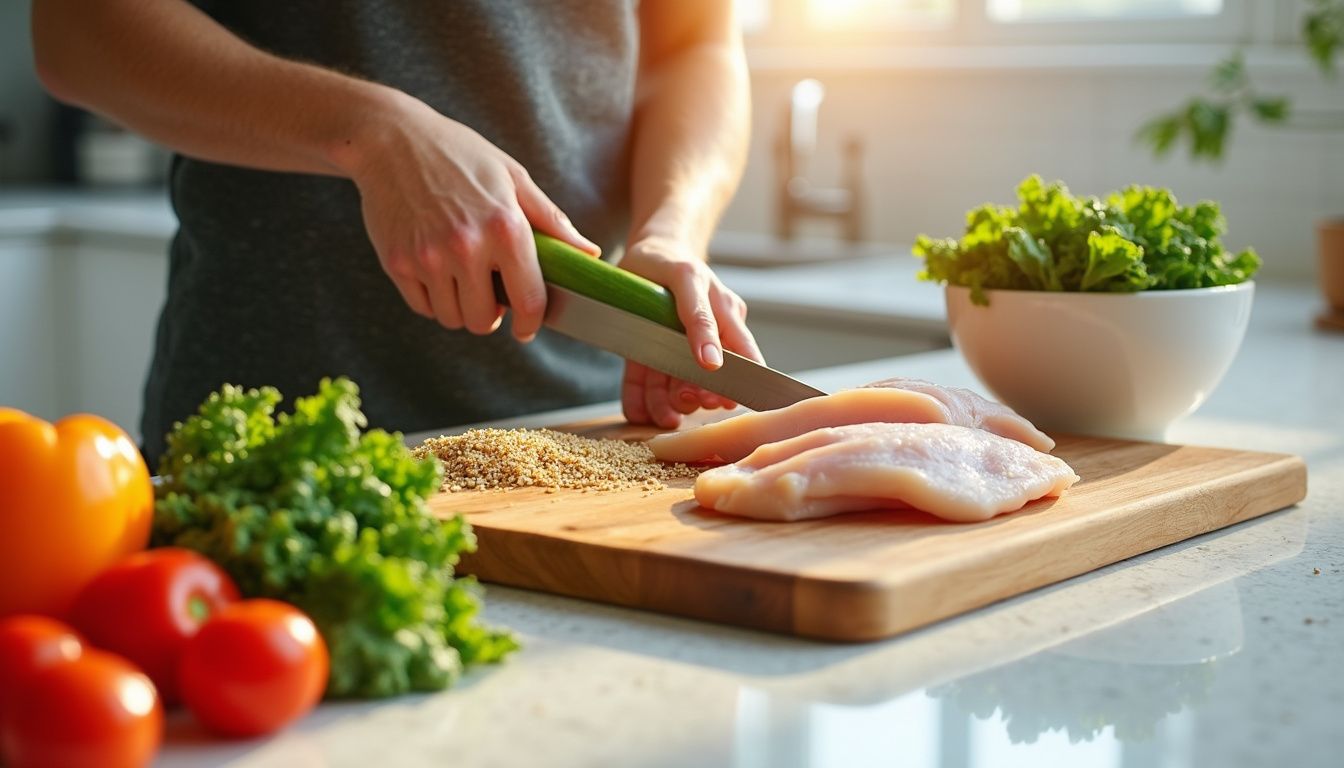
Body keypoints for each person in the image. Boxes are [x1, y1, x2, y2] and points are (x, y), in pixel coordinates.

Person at [31, 0, 762, 462]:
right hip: (268, 431)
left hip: (583, 430)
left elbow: (695, 43)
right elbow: (76, 30)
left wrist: (673, 228)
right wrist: (374, 132)